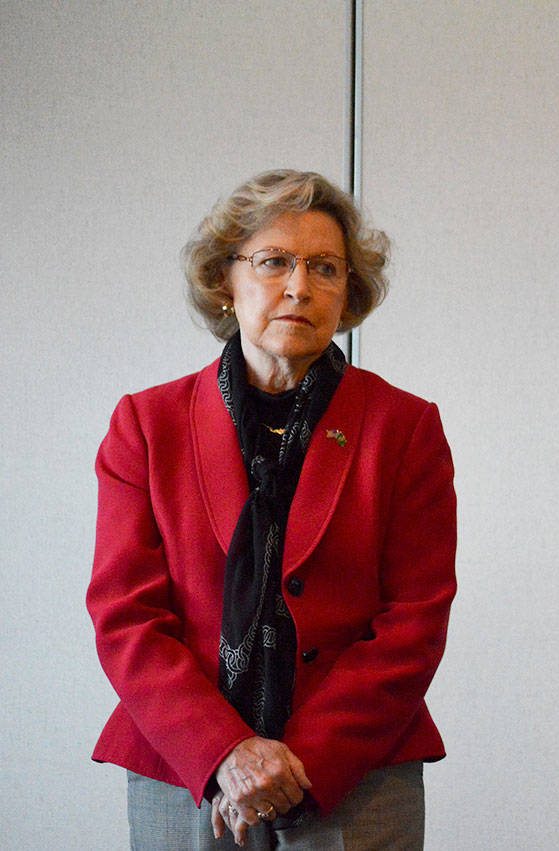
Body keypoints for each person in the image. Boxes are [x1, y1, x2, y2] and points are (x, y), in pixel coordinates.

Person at [87, 169, 457, 850]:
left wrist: (303, 760)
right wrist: (226, 750)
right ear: (226, 280)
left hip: (355, 769)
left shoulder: (403, 428)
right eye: (274, 262)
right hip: (183, 764)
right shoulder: (146, 425)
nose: (298, 286)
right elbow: (125, 616)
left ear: (348, 293)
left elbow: (415, 619)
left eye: (324, 267)